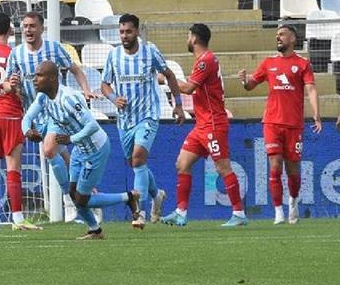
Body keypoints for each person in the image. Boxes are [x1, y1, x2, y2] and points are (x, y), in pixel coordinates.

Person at [23, 61, 140, 239]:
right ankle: (95, 230)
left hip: (95, 150)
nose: (34, 80)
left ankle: (129, 197)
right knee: (73, 193)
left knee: (81, 200)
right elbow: (28, 117)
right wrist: (27, 131)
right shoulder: (43, 97)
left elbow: (92, 126)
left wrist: (71, 139)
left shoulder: (68, 99)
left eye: (39, 75)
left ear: (52, 78)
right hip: (80, 149)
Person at [3, 11, 95, 223]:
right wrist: (12, 85)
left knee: (49, 149)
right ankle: (87, 197)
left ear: (41, 28)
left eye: (32, 26)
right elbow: (6, 84)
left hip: (57, 111)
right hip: (35, 115)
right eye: (25, 26)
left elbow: (75, 69)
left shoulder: (53, 48)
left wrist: (86, 89)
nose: (28, 30)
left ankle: (69, 201)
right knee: (62, 156)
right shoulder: (16, 54)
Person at [160, 24, 249, 227]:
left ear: (194, 38)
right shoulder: (203, 60)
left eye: (188, 35)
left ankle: (239, 213)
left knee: (222, 167)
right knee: (182, 164)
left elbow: (189, 88)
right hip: (202, 125)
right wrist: (166, 79)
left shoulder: (205, 61)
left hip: (213, 124)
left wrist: (168, 78)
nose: (187, 39)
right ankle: (181, 212)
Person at [100, 13, 181, 229]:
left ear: (137, 31)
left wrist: (178, 104)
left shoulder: (149, 52)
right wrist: (113, 98)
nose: (124, 35)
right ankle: (157, 194)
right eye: (121, 32)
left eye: (128, 31)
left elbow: (170, 75)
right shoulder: (114, 56)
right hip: (125, 120)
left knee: (137, 159)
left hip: (148, 115)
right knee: (136, 164)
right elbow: (105, 85)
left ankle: (140, 213)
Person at [238, 25, 321, 225]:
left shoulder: (302, 64)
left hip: (293, 124)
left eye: (282, 34)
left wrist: (316, 115)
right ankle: (278, 212)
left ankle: (292, 201)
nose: (278, 37)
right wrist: (244, 81)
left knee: (293, 169)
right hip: (272, 122)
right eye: (277, 34)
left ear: (293, 38)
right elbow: (251, 85)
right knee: (275, 166)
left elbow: (311, 90)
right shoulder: (269, 63)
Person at [0, 14, 41, 231]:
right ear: (11, 31)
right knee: (13, 167)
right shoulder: (14, 54)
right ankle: (18, 219)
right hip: (11, 113)